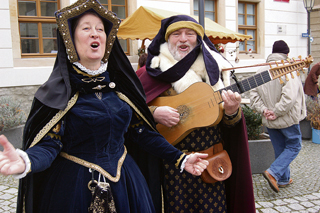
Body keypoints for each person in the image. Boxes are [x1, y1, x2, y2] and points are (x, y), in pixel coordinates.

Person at [0, 1, 209, 212]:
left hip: (126, 183)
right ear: (71, 39)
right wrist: (26, 161)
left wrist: (181, 158)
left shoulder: (121, 89)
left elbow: (141, 132)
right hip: (75, 189)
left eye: (100, 29)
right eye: (86, 28)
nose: (95, 34)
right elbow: (49, 145)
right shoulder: (58, 93)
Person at [137, 15, 256, 213]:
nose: (183, 39)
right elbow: (128, 112)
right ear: (167, 40)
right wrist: (154, 112)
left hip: (211, 163)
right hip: (171, 167)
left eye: (190, 34)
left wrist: (231, 112)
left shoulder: (217, 72)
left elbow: (228, 126)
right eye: (176, 34)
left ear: (198, 39)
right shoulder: (149, 74)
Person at [250, 40, 306, 193]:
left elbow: (253, 95)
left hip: (269, 119)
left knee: (280, 149)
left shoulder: (259, 70)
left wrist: (264, 110)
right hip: (286, 118)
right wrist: (276, 112)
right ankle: (273, 172)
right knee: (294, 146)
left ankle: (283, 179)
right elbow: (289, 97)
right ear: (286, 54)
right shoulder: (288, 68)